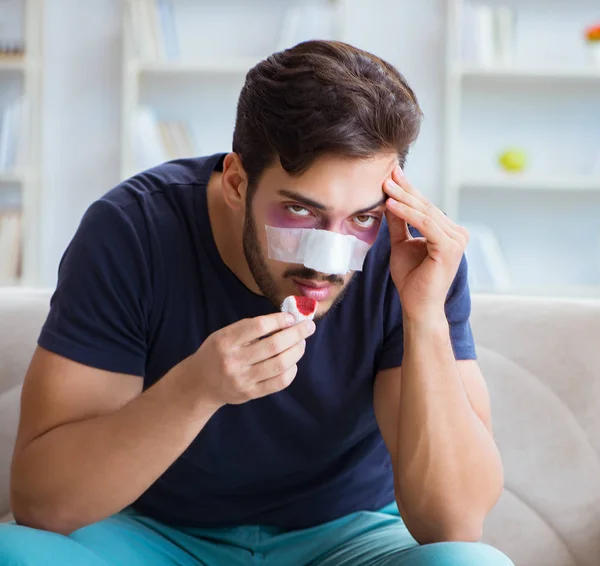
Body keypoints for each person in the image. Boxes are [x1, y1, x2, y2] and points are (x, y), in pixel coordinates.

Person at [0, 40, 513, 566]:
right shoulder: (132, 231)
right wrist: (196, 390)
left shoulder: (416, 257)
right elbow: (43, 504)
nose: (329, 262)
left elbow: (454, 526)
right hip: (153, 533)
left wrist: (423, 317)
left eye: (362, 217)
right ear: (237, 182)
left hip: (350, 536)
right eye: (299, 210)